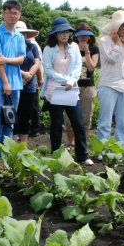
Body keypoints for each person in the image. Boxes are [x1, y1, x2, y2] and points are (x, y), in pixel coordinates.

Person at [41, 17, 93, 165]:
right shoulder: (49, 49)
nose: (65, 35)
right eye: (61, 32)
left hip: (71, 90)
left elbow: (77, 66)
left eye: (67, 32)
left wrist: (72, 80)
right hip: (55, 91)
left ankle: (83, 156)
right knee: (56, 125)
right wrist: (66, 80)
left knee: (78, 124)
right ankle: (56, 155)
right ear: (55, 34)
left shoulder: (74, 47)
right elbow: (48, 70)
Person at [0, 0, 26, 156]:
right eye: (9, 12)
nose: (12, 16)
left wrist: (6, 60)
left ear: (19, 15)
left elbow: (21, 59)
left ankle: (6, 153)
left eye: (15, 13)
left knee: (10, 120)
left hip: (16, 84)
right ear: (3, 14)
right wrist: (5, 82)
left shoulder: (19, 36)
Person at [96, 10, 124, 144]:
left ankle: (121, 148)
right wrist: (117, 43)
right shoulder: (104, 41)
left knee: (122, 121)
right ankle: (102, 149)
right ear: (115, 26)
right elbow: (112, 58)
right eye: (122, 25)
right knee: (105, 121)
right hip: (108, 84)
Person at [64, 23, 99, 147]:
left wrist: (87, 51)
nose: (84, 38)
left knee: (86, 116)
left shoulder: (94, 49)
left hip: (88, 86)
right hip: (72, 85)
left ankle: (82, 144)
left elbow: (91, 67)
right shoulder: (69, 47)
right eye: (81, 35)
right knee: (69, 117)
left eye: (86, 35)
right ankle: (71, 143)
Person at [14, 21, 41, 144]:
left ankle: (24, 143)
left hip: (29, 86)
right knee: (13, 115)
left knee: (26, 116)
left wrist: (28, 76)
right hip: (14, 85)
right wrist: (22, 74)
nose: (22, 35)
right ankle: (13, 142)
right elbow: (8, 64)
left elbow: (37, 63)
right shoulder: (10, 47)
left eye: (24, 33)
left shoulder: (32, 47)